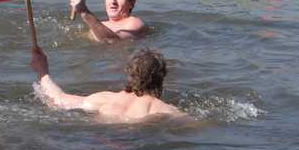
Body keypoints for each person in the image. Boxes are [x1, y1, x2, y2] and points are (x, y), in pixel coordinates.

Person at [30, 46, 186, 121]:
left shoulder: (104, 99)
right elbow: (196, 127)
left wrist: (43, 71)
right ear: (162, 77)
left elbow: (59, 100)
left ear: (129, 73)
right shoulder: (164, 110)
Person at [70, 0, 148, 43]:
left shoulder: (135, 22)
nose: (113, 1)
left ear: (131, 3)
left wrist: (84, 12)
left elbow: (113, 40)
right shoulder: (99, 24)